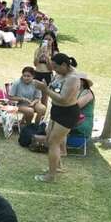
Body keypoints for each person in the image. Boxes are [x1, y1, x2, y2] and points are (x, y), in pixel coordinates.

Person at [33, 54, 80, 183]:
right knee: (49, 139)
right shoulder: (60, 74)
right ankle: (57, 166)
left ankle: (51, 176)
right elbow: (54, 89)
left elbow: (63, 99)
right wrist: (44, 85)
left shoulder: (73, 78)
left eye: (56, 67)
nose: (54, 70)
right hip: (56, 110)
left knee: (53, 142)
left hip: (67, 113)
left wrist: (45, 89)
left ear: (64, 65)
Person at [33, 31, 59, 105]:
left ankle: (43, 116)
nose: (47, 41)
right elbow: (35, 64)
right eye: (45, 39)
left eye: (49, 39)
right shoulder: (38, 50)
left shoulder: (55, 52)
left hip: (47, 75)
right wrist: (39, 54)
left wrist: (47, 58)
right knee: (34, 97)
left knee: (44, 99)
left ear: (53, 40)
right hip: (37, 74)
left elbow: (51, 68)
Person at [70, 74, 94, 138]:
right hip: (75, 120)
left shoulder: (88, 93)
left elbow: (76, 106)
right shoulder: (76, 91)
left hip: (82, 124)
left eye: (75, 80)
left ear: (82, 82)